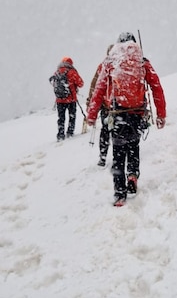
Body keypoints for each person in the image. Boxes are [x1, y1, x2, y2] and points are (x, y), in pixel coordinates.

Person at [86, 32, 167, 206]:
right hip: (137, 114)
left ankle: (120, 193)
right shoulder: (142, 62)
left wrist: (92, 115)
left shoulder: (110, 63)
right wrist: (161, 114)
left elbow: (99, 89)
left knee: (118, 153)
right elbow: (156, 88)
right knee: (133, 146)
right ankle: (132, 174)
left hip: (118, 114)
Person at [86, 44, 114, 166]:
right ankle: (120, 156)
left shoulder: (102, 66)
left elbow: (94, 86)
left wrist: (90, 102)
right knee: (119, 132)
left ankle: (103, 157)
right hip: (120, 107)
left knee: (105, 131)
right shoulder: (124, 65)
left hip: (106, 107)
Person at [50, 57, 84, 141]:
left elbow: (54, 84)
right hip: (71, 99)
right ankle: (70, 133)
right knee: (71, 116)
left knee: (61, 118)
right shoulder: (72, 72)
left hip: (59, 100)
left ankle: (60, 134)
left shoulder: (57, 72)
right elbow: (81, 83)